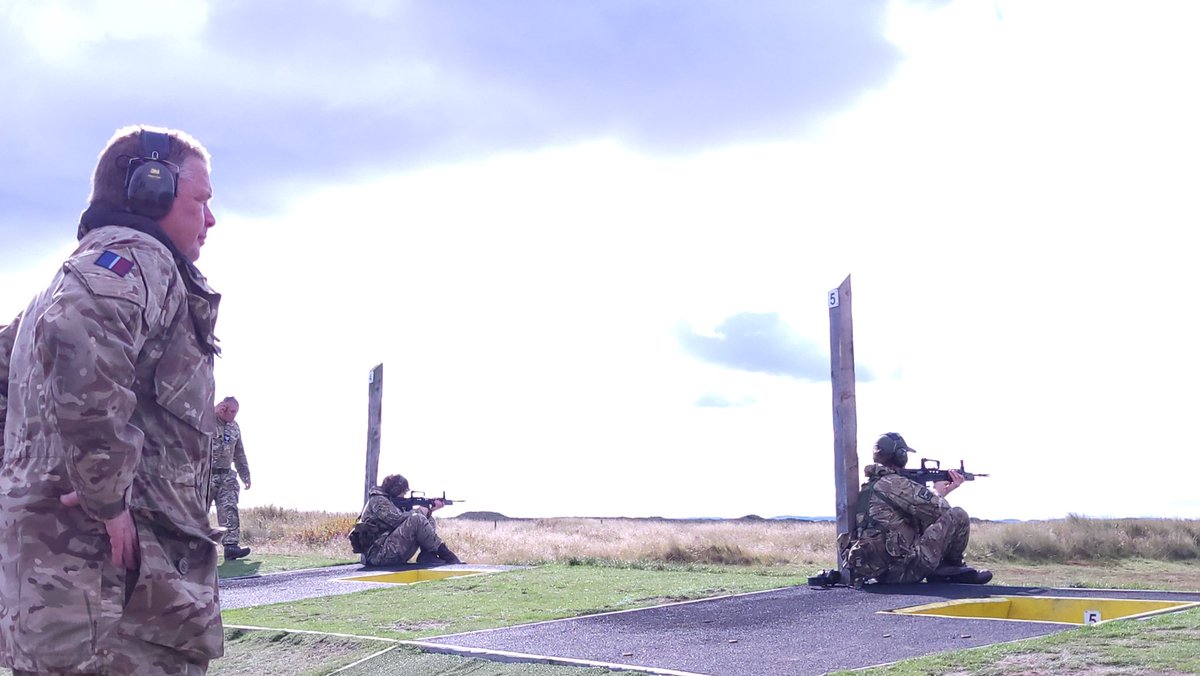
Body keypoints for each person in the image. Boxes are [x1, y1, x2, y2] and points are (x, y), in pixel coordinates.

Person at [0, 125, 224, 674]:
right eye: (201, 200)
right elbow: (80, 325)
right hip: (119, 603)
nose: (211, 221)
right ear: (151, 189)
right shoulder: (134, 256)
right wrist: (106, 493)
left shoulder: (59, 284)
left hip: (65, 600)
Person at [843, 432, 992, 585]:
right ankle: (951, 569)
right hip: (906, 570)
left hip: (882, 573)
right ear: (900, 456)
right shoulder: (895, 484)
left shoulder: (871, 485)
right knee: (958, 515)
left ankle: (945, 570)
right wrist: (939, 492)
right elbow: (941, 509)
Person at [352, 473, 462, 566]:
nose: (404, 495)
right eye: (403, 492)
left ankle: (428, 555)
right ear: (395, 490)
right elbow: (397, 520)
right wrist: (420, 511)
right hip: (377, 555)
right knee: (418, 519)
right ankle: (447, 555)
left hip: (386, 551)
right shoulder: (378, 500)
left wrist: (429, 511)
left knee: (429, 519)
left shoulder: (388, 500)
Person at [210, 396, 252, 561]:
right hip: (206, 474)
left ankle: (231, 547)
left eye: (236, 412)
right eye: (232, 411)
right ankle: (192, 548)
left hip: (226, 475)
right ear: (223, 408)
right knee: (197, 511)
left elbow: (239, 453)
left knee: (229, 509)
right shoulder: (207, 421)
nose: (234, 415)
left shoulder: (234, 428)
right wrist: (211, 413)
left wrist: (245, 474)